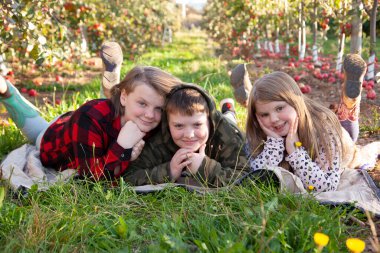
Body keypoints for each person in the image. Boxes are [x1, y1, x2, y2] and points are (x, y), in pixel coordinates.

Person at [0, 56, 181, 180]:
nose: (150, 115)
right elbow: (91, 178)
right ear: (124, 98)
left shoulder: (153, 120)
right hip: (60, 136)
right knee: (40, 132)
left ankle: (112, 87)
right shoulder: (90, 117)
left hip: (99, 118)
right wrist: (123, 147)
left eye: (159, 108)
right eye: (142, 103)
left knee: (113, 109)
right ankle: (8, 93)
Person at [244, 71, 379, 192]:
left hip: (342, 145)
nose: (273, 119)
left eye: (279, 108)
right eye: (264, 114)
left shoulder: (324, 130)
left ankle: (350, 109)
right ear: (256, 117)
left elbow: (326, 186)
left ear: (295, 102)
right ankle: (347, 110)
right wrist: (274, 145)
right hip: (320, 132)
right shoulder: (259, 133)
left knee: (359, 152)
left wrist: (296, 152)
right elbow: (256, 178)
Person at [123, 84, 249, 187]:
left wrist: (205, 167)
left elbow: (245, 177)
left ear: (209, 122)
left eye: (197, 125)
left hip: (225, 124)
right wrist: (169, 171)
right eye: (178, 126)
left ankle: (228, 109)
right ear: (168, 124)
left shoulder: (225, 134)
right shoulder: (160, 139)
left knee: (229, 120)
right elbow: (129, 176)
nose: (189, 135)